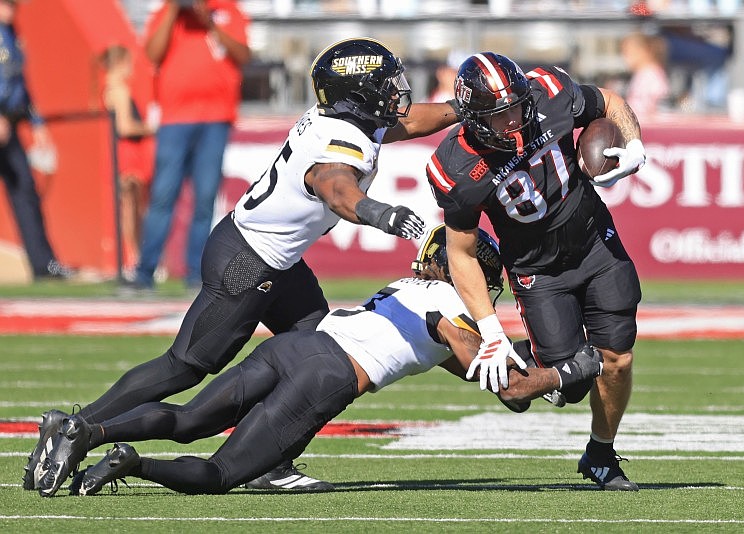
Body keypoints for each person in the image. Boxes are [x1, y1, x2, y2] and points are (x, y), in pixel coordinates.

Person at [24, 37, 461, 495]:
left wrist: (467, 108)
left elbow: (408, 121)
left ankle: (272, 460)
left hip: (273, 257)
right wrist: (378, 212)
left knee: (312, 347)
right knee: (184, 367)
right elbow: (336, 187)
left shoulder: (352, 120)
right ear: (356, 95)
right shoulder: (339, 142)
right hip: (249, 264)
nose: (396, 92)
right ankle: (75, 427)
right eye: (383, 85)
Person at [36, 224, 603, 497]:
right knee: (219, 474)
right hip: (325, 374)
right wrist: (576, 369)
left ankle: (85, 427)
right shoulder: (455, 308)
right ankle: (130, 464)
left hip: (293, 345)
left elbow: (484, 373)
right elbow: (505, 387)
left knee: (186, 420)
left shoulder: (412, 290)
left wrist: (534, 370)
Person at [425, 52, 646, 491]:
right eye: (501, 114)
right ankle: (518, 358)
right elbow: (463, 254)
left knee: (615, 359)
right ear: (474, 118)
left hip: (593, 240)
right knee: (570, 381)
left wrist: (634, 144)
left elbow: (607, 102)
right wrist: (490, 332)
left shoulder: (547, 91)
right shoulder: (456, 167)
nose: (515, 120)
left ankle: (601, 454)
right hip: (537, 270)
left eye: (518, 106)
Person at [131, 0, 251, 289]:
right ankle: (145, 272)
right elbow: (152, 53)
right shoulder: (167, 11)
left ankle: (196, 275)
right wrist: (173, 11)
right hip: (175, 118)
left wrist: (208, 22)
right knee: (162, 197)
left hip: (215, 118)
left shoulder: (227, 10)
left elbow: (243, 55)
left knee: (205, 199)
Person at [0, 0, 72, 280]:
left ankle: (44, 264)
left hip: (11, 123)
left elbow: (20, 84)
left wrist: (38, 123)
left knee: (26, 194)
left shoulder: (12, 34)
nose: (11, 8)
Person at [100, 45, 156, 271]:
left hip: (121, 152)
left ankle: (134, 256)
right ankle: (136, 257)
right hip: (127, 153)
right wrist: (150, 128)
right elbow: (124, 127)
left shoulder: (108, 88)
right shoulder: (120, 90)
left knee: (129, 207)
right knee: (132, 207)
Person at [620, 32, 670, 119]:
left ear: (643, 51)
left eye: (627, 52)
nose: (625, 57)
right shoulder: (642, 74)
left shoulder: (651, 75)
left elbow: (649, 109)